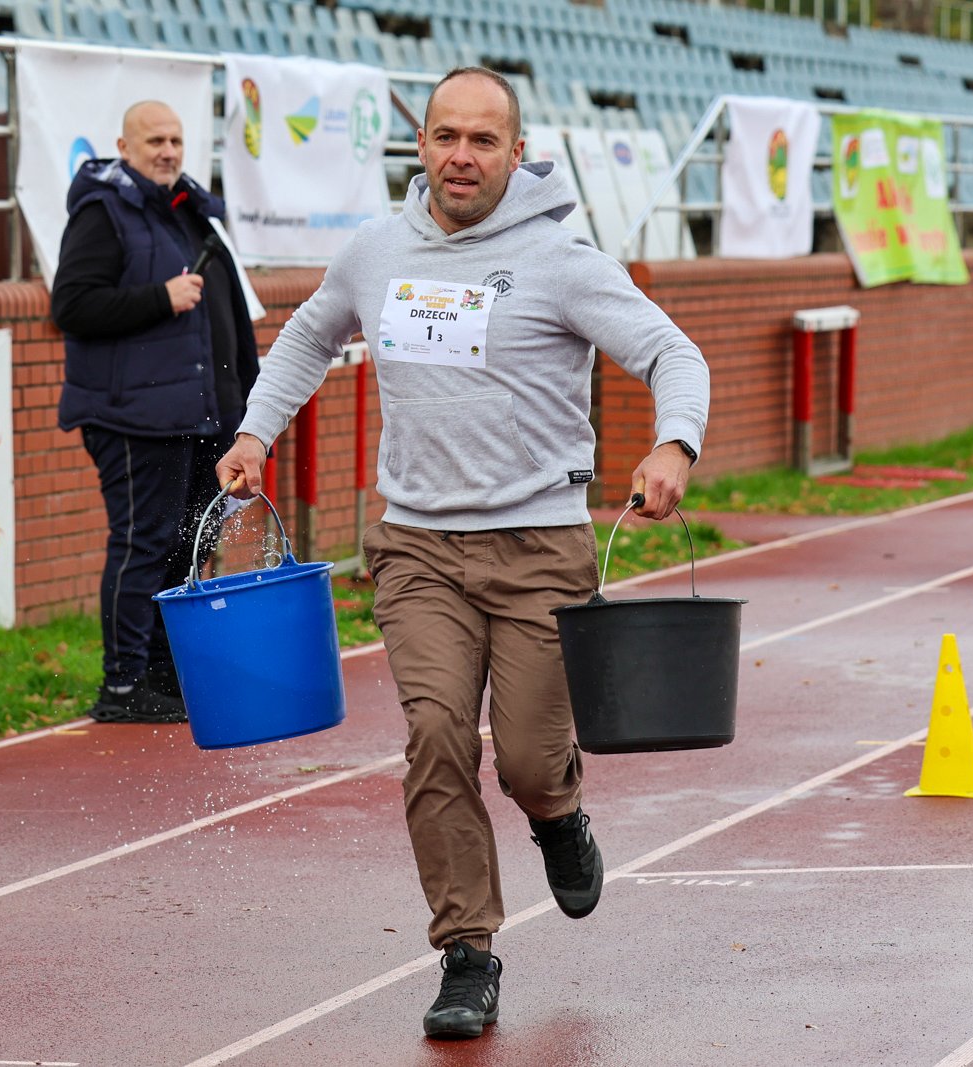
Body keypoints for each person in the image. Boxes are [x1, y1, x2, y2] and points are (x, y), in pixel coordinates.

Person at [215, 68, 709, 1039]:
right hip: (417, 546)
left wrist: (673, 444)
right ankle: (467, 952)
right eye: (445, 136)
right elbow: (307, 338)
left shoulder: (560, 259)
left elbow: (671, 353)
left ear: (517, 153)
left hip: (539, 547)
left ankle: (556, 809)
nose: (461, 157)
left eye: (483, 141)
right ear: (421, 146)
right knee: (437, 736)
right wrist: (254, 432)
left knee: (525, 757)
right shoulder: (376, 250)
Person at [51, 100, 259, 725]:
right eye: (154, 141)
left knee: (190, 544)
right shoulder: (102, 211)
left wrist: (246, 411)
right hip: (132, 418)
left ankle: (167, 675)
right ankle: (122, 685)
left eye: (175, 140)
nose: (167, 151)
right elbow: (71, 306)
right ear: (124, 147)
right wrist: (158, 299)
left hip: (202, 417)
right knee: (144, 543)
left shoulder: (189, 210)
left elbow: (228, 319)